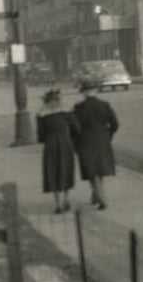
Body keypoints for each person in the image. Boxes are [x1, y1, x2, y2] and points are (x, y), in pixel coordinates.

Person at [72, 79, 119, 210]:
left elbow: (74, 128)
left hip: (86, 141)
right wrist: (107, 135)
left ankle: (102, 199)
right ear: (95, 91)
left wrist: (75, 143)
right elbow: (115, 124)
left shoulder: (78, 108)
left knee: (91, 170)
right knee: (100, 169)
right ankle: (95, 196)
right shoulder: (105, 105)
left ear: (84, 93)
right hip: (102, 141)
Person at [36, 88, 80, 214]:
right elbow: (77, 128)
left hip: (50, 145)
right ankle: (66, 199)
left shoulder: (41, 115)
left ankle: (57, 203)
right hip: (65, 143)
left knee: (52, 171)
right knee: (65, 170)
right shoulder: (66, 112)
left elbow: (40, 136)